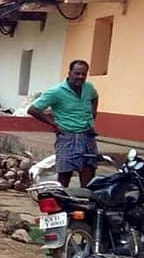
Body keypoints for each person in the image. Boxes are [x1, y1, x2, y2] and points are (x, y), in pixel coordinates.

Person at [27, 60, 99, 188]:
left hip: (88, 135)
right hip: (67, 137)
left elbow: (95, 97)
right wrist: (54, 124)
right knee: (64, 176)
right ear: (69, 73)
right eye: (77, 73)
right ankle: (62, 205)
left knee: (89, 175)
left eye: (83, 74)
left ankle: (86, 205)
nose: (80, 77)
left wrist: (93, 114)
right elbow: (33, 110)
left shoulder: (89, 88)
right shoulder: (56, 91)